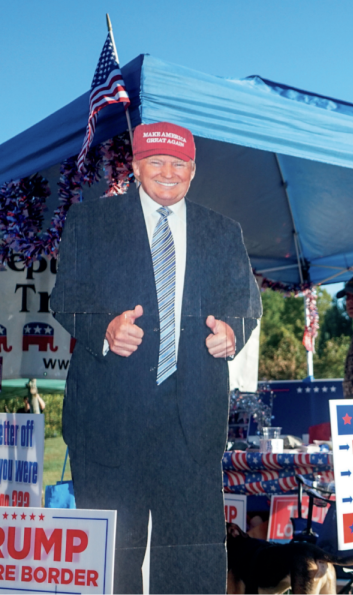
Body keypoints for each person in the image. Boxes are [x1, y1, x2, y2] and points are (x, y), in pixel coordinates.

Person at [50, 122, 261, 594]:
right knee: (108, 566)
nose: (168, 173)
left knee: (191, 564)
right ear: (138, 166)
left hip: (190, 428)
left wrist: (233, 331)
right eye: (156, 162)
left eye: (179, 164)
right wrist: (104, 327)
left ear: (193, 170)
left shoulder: (223, 232)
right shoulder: (91, 222)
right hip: (109, 424)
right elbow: (66, 299)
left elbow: (246, 304)